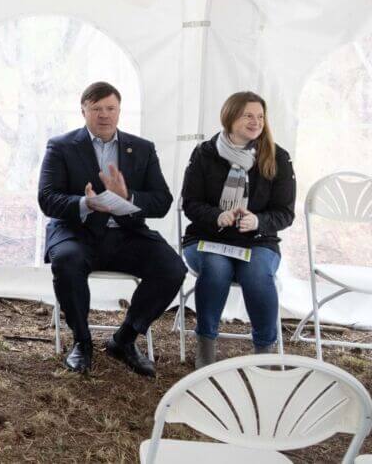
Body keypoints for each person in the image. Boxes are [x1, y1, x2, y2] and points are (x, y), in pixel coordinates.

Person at [38, 82, 186, 376]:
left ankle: (125, 339)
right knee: (67, 262)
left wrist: (128, 197)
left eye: (111, 108)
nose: (104, 115)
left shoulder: (142, 149)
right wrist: (84, 203)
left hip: (126, 234)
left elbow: (162, 201)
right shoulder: (61, 146)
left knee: (172, 268)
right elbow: (47, 199)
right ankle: (82, 342)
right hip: (76, 232)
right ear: (83, 111)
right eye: (96, 109)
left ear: (119, 111)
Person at [181, 91, 295, 367]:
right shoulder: (204, 154)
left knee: (257, 274)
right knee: (217, 269)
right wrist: (217, 216)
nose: (256, 122)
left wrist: (258, 221)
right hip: (208, 238)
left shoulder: (277, 157)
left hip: (258, 241)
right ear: (230, 117)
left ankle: (264, 354)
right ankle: (206, 348)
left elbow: (285, 213)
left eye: (260, 117)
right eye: (248, 115)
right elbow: (191, 204)